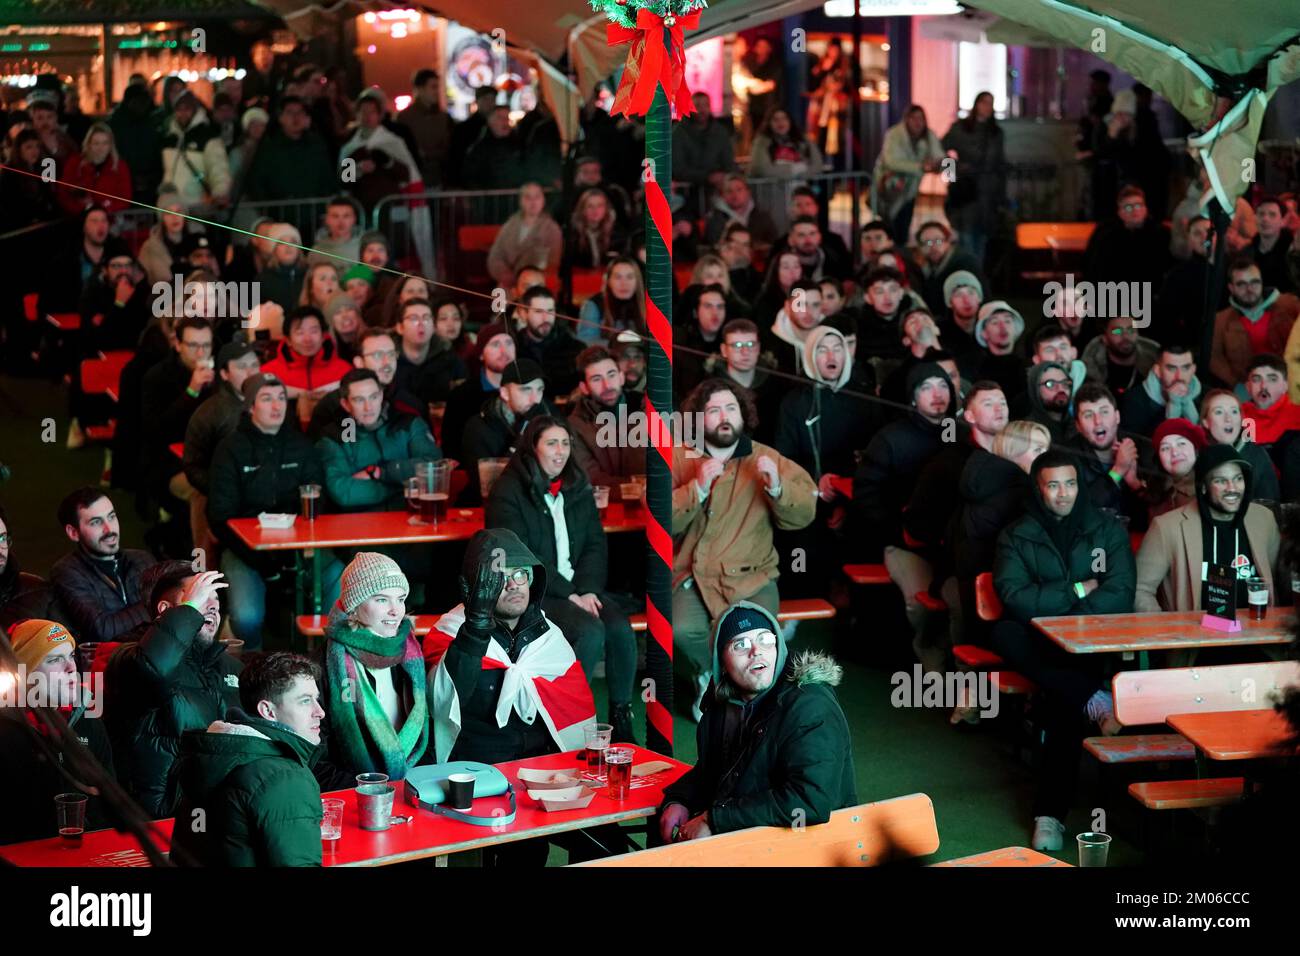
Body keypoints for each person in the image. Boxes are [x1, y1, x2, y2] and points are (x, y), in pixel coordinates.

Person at [992, 450, 1135, 850]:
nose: (1063, 493)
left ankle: (1049, 815)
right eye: (1053, 485)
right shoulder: (1017, 534)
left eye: (1070, 483)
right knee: (1006, 633)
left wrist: (1077, 617)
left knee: (1060, 693)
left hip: (1090, 640)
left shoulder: (1105, 530)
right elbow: (1015, 597)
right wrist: (1077, 589)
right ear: (1039, 489)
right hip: (1037, 639)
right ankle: (1094, 698)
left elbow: (1120, 590)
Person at [484, 416, 637, 741]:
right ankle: (565, 717)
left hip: (578, 590)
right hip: (534, 591)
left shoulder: (577, 484)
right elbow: (521, 556)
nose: (561, 451)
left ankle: (621, 719)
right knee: (590, 631)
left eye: (565, 443)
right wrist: (570, 594)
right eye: (551, 443)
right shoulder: (508, 490)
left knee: (621, 629)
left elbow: (596, 544)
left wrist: (588, 589)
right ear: (532, 448)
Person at [673, 379, 817, 720]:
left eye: (731, 408)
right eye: (713, 410)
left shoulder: (766, 457)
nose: (724, 416)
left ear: (743, 415)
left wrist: (779, 488)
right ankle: (715, 677)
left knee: (752, 635)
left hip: (753, 576)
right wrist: (697, 489)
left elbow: (805, 514)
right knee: (680, 630)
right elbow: (658, 520)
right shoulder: (680, 457)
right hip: (691, 574)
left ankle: (729, 687)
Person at [656, 601, 855, 841]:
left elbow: (810, 800)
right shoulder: (724, 701)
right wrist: (681, 799)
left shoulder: (810, 705)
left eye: (765, 639)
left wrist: (715, 820)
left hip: (805, 844)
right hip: (750, 835)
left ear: (778, 645)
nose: (756, 651)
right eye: (740, 645)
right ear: (722, 664)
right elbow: (714, 770)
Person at [208, 373, 336, 647]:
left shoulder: (301, 445)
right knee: (248, 617)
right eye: (267, 399)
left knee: (338, 573)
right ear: (251, 406)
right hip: (245, 548)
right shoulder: (230, 449)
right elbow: (219, 516)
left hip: (300, 547)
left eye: (281, 398)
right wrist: (257, 556)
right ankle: (248, 668)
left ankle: (326, 655)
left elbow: (318, 498)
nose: (277, 406)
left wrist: (296, 546)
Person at [103, 566, 238, 817]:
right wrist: (188, 611)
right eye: (201, 596)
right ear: (166, 611)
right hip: (159, 824)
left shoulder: (231, 668)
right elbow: (154, 668)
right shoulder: (128, 660)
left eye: (216, 599)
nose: (212, 607)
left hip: (224, 816)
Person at [171, 651, 325, 867]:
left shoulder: (214, 755)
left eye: (316, 700)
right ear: (268, 711)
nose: (320, 712)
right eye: (305, 701)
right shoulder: (284, 778)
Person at [0, 620, 116, 846]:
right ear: (24, 674)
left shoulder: (88, 719)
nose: (72, 667)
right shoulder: (5, 731)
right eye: (54, 659)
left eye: (71, 655)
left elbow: (108, 805)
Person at [317, 553, 430, 780]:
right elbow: (318, 760)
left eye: (400, 599)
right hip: (355, 792)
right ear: (354, 606)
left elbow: (429, 738)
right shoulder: (322, 666)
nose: (395, 610)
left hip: (415, 784)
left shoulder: (411, 653)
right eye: (381, 599)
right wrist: (371, 789)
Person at [1135, 444, 1280, 613]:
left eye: (1238, 478)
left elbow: (1279, 582)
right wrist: (1166, 631)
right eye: (1220, 481)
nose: (1232, 488)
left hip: (1258, 633)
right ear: (1203, 487)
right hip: (1194, 636)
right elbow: (1140, 589)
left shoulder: (1264, 519)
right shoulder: (1166, 527)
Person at [316, 368, 442, 512]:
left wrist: (382, 473)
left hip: (410, 517)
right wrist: (404, 488)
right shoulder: (334, 436)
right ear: (345, 404)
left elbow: (433, 467)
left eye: (373, 397)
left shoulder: (408, 423)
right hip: (359, 526)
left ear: (381, 395)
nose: (368, 407)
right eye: (359, 400)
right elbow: (343, 492)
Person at [182, 339, 261, 550]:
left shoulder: (276, 403)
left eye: (254, 365)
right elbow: (193, 465)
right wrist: (222, 490)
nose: (251, 372)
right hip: (217, 493)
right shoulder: (210, 413)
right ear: (224, 374)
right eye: (242, 367)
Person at [50, 488, 157, 642]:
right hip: (108, 662)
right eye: (96, 522)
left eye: (112, 517)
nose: (109, 529)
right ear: (73, 532)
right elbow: (103, 630)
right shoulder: (67, 571)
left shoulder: (142, 559)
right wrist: (156, 604)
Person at [461, 358, 552, 506]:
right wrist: (525, 433)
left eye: (540, 390)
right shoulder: (479, 427)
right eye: (525, 389)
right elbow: (489, 486)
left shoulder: (549, 419)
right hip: (488, 511)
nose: (535, 399)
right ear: (504, 393)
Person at [1211, 258, 1299, 391]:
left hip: (1291, 385)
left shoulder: (1290, 305)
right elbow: (1214, 358)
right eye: (1241, 284)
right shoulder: (1221, 321)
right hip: (1249, 389)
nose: (1249, 289)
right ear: (1231, 287)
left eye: (1255, 282)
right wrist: (1236, 385)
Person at [260, 306, 352, 430]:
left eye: (314, 331)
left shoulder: (344, 370)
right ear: (288, 340)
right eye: (300, 333)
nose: (307, 339)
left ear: (324, 335)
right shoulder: (268, 373)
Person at [941, 92, 1005, 267]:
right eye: (984, 102)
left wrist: (1001, 195)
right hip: (966, 189)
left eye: (991, 103)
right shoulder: (960, 128)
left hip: (988, 191)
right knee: (966, 236)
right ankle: (969, 273)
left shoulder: (995, 133)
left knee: (982, 237)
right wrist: (952, 173)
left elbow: (999, 163)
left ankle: (978, 278)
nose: (987, 107)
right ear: (976, 104)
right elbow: (942, 150)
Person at [568, 346, 645, 489]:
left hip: (652, 504)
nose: (607, 385)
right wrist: (638, 487)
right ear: (584, 388)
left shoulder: (645, 409)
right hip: (606, 507)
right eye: (597, 379)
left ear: (621, 377)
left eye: (611, 375)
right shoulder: (576, 425)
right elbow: (593, 479)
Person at [442, 322, 518, 461]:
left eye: (509, 343)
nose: (504, 350)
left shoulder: (527, 390)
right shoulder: (461, 396)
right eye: (495, 344)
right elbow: (451, 450)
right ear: (481, 354)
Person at [1069, 382, 1146, 518]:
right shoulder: (1068, 457)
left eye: (1104, 412)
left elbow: (1154, 513)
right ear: (1078, 426)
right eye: (1088, 415)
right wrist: (1118, 471)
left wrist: (1134, 483)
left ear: (1117, 417)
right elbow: (1079, 510)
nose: (1098, 421)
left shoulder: (1138, 446)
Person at [244, 96, 340, 202]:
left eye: (299, 112)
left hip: (314, 209)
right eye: (290, 113)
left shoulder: (317, 145)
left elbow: (327, 177)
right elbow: (257, 183)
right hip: (279, 212)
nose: (295, 117)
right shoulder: (269, 148)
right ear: (281, 118)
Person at [873, 105, 945, 244]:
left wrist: (942, 165)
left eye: (921, 118)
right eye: (914, 118)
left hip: (910, 190)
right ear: (906, 119)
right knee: (888, 226)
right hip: (889, 187)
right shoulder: (894, 134)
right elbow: (891, 161)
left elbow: (939, 155)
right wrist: (920, 167)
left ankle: (899, 257)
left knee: (903, 227)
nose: (918, 122)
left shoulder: (928, 136)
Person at [1083, 185, 1172, 287]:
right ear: (1120, 212)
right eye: (1129, 207)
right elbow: (1093, 268)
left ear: (1145, 209)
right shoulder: (1106, 236)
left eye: (1139, 205)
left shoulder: (1161, 235)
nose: (1135, 210)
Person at [159, 90, 231, 214]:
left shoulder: (207, 136)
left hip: (196, 205)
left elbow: (218, 168)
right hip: (171, 206)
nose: (183, 113)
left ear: (195, 110)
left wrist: (220, 192)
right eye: (179, 109)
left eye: (187, 109)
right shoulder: (169, 138)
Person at [1201, 388, 1281, 500]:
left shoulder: (1257, 455)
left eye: (1234, 411)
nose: (1228, 419)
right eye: (1219, 412)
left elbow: (1270, 505)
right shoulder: (1197, 456)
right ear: (1206, 422)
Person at [488, 182, 564, 287]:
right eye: (528, 197)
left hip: (538, 285)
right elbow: (495, 256)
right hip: (508, 283)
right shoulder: (509, 226)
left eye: (537, 197)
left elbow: (553, 262)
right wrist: (506, 276)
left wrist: (528, 279)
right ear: (521, 201)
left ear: (543, 201)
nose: (533, 202)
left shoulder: (552, 229)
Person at [1120, 343, 1203, 437]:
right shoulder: (1134, 400)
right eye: (1171, 369)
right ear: (1157, 371)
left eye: (1185, 368)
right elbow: (1135, 444)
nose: (1179, 376)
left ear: (1193, 369)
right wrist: (1172, 405)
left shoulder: (1208, 397)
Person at [515, 285, 584, 396]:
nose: (546, 318)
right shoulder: (513, 348)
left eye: (550, 311)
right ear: (523, 314)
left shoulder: (574, 348)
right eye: (538, 311)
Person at [391, 297, 458, 405]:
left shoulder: (448, 357)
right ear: (400, 327)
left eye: (426, 318)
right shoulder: (389, 360)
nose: (421, 323)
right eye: (414, 318)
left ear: (433, 327)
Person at [910, 221, 984, 317]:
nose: (933, 246)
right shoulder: (928, 270)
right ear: (920, 247)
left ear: (948, 241)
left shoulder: (964, 264)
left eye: (938, 241)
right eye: (927, 242)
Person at [59, 122, 132, 216]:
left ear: (110, 145)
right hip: (78, 217)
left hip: (109, 218)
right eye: (96, 143)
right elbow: (63, 194)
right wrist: (84, 209)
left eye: (105, 143)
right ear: (89, 144)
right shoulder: (75, 163)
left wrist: (103, 208)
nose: (100, 148)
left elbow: (125, 199)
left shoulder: (120, 167)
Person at [1081, 313, 1160, 400]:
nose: (1125, 336)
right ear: (1105, 338)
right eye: (1117, 331)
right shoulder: (1091, 367)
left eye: (1130, 330)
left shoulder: (1153, 359)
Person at [397, 68, 453, 188]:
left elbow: (448, 148)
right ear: (420, 89)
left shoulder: (444, 118)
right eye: (433, 87)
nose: (437, 91)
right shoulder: (405, 118)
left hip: (437, 180)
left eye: (437, 87)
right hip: (413, 180)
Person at [671, 92, 737, 192]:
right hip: (686, 191)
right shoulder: (678, 133)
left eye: (706, 105)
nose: (702, 110)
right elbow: (678, 169)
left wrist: (725, 176)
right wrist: (707, 177)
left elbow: (729, 162)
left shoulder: (720, 132)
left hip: (718, 189)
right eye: (697, 105)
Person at [1240, 353, 1300, 454]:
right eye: (1256, 379)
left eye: (1272, 379)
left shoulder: (1297, 416)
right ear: (1248, 387)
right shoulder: (1236, 416)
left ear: (1285, 386)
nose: (1264, 386)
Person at [576, 257, 645, 345]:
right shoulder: (593, 305)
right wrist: (616, 346)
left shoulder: (648, 304)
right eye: (618, 277)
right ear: (608, 281)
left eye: (630, 277)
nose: (624, 283)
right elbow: (585, 341)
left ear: (637, 281)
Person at [1148, 418, 1207, 521]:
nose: (1174, 452)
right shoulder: (1157, 490)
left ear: (1195, 450)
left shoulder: (1210, 487)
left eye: (1181, 444)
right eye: (1165, 448)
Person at [703, 174, 779, 252]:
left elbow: (774, 243)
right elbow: (715, 245)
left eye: (739, 189)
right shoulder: (715, 219)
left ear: (748, 192)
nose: (734, 195)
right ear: (723, 196)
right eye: (729, 191)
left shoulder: (762, 216)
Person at [748, 108, 822, 179]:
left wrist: (803, 175)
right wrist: (794, 169)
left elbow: (817, 165)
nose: (780, 123)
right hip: (772, 190)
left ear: (790, 121)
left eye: (784, 118)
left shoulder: (802, 140)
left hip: (798, 188)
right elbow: (762, 169)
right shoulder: (761, 142)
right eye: (775, 120)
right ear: (769, 123)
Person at [1250, 195, 1297, 294]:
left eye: (1272, 215)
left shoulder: (1293, 252)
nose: (1265, 219)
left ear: (1283, 221)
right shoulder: (1247, 253)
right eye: (1261, 214)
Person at [306, 195, 362, 270]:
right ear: (327, 219)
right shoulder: (317, 251)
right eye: (335, 216)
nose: (341, 222)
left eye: (346, 216)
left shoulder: (364, 247)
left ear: (354, 219)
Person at [719, 223, 762, 305]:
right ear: (724, 247)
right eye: (736, 244)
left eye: (745, 245)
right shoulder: (714, 275)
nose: (740, 250)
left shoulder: (758, 280)